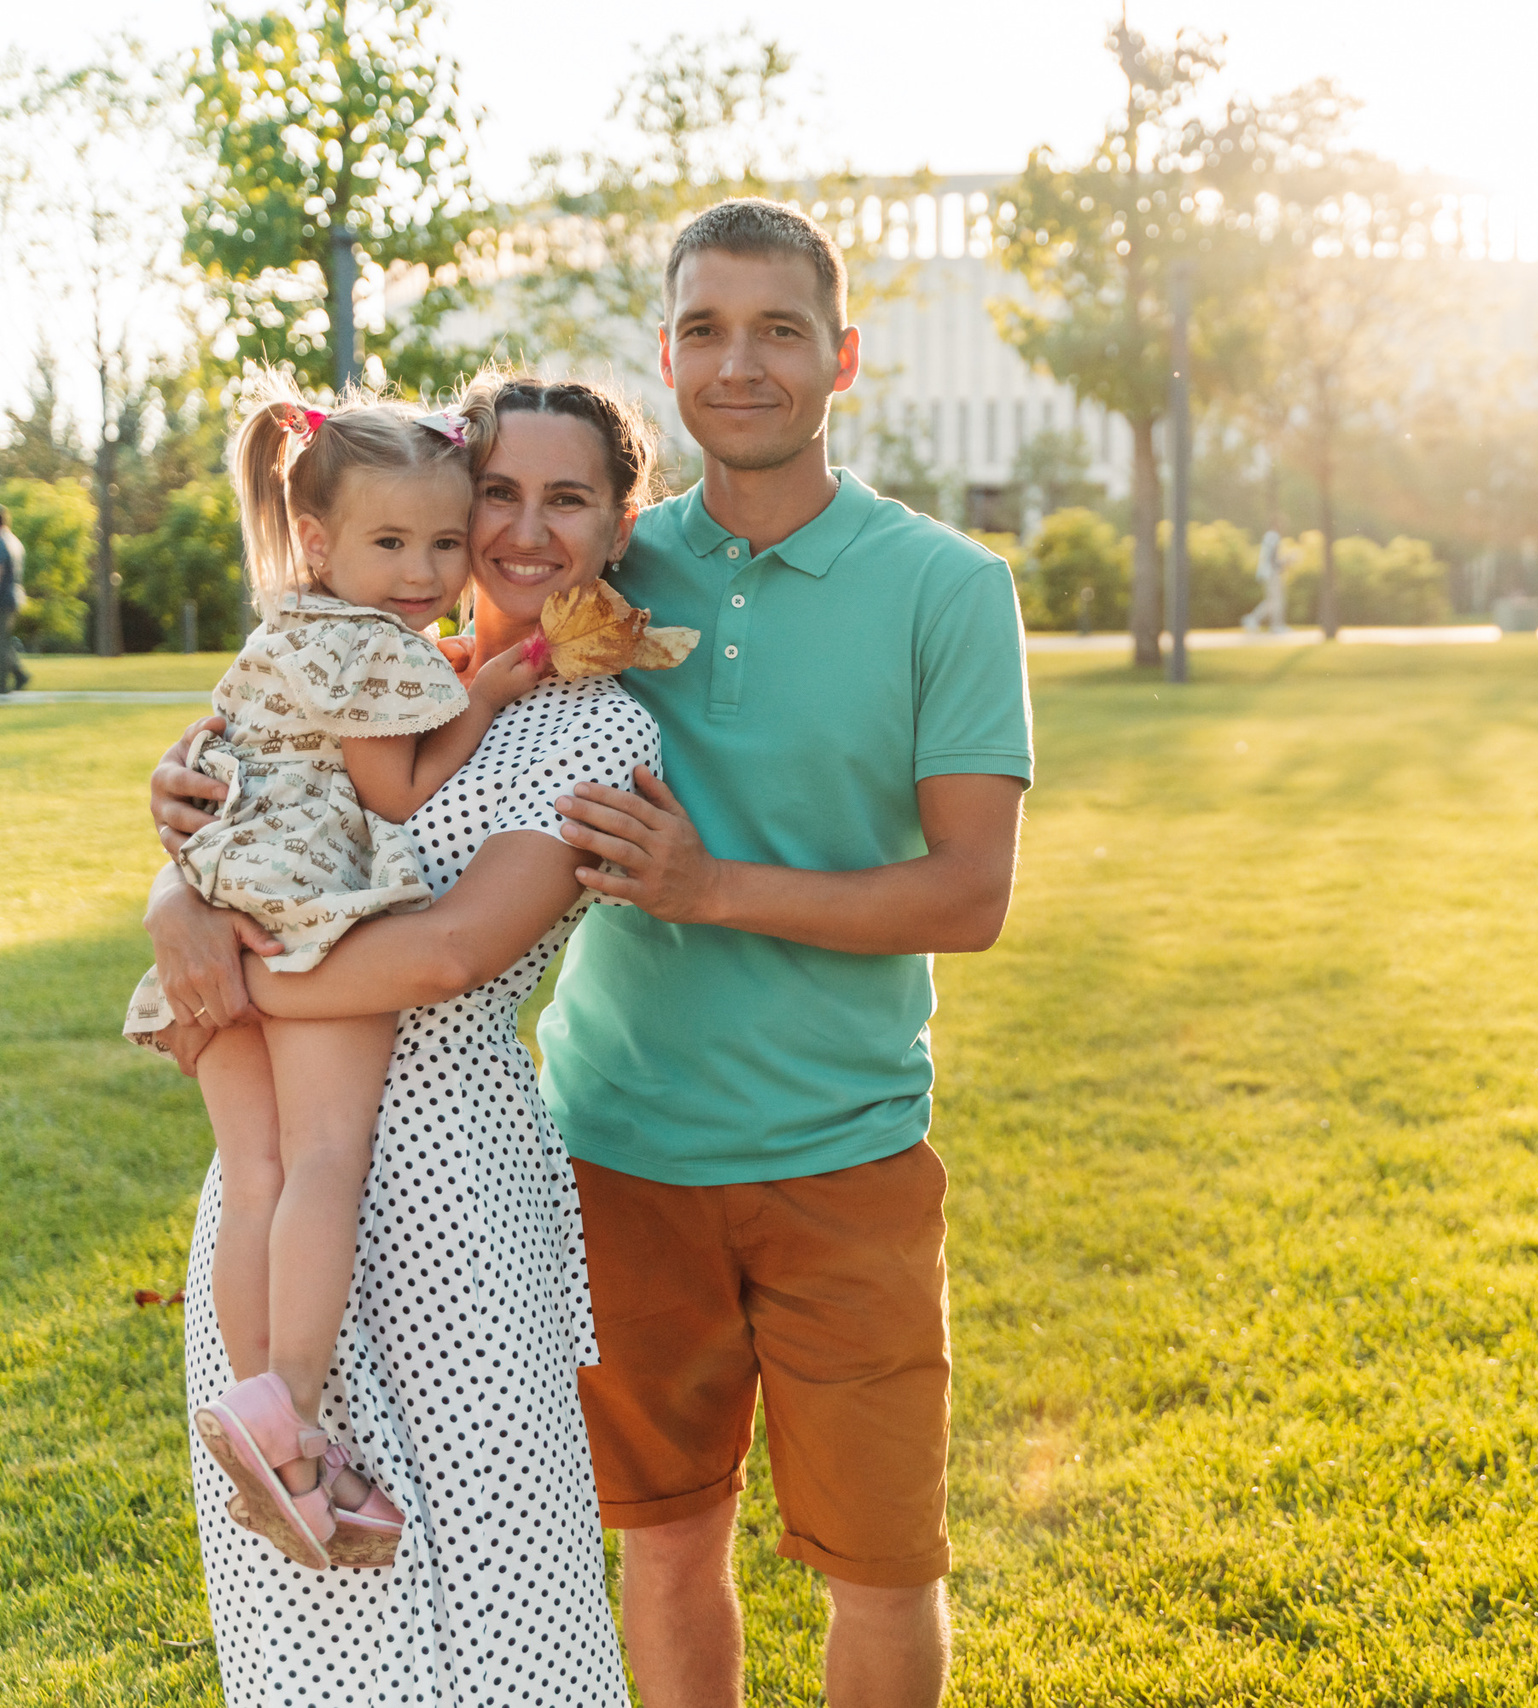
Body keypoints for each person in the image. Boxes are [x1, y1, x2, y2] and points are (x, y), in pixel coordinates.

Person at [532, 195, 1031, 1708]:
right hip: (615, 1150)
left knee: (883, 1568)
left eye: (779, 330)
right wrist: (209, 776)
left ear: (844, 358)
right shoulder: (596, 574)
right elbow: (383, 679)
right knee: (668, 1545)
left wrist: (709, 886)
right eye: (704, 329)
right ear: (665, 355)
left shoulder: (948, 587)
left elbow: (969, 896)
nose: (739, 362)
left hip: (847, 1156)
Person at [146, 373, 666, 1704]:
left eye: (570, 500)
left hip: (451, 1198)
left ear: (619, 526)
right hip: (275, 1197)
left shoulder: (595, 728)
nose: (524, 531)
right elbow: (220, 831)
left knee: (499, 1577)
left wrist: (217, 988)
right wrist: (170, 897)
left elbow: (449, 953)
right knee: (317, 1599)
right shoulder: (366, 668)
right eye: (498, 493)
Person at [133, 371, 547, 1573]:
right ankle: (293, 1420)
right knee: (323, 1159)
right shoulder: (371, 648)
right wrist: (485, 692)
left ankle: (260, 1416)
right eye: (389, 541)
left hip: (217, 894)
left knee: (256, 1167)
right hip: (303, 903)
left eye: (443, 542)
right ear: (317, 539)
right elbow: (397, 788)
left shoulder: (288, 627)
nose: (422, 571)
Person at [0, 503, 28, 693]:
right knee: (4, 640)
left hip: (3, 598)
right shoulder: (13, 540)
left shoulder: (1, 541)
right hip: (14, 596)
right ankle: (19, 674)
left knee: (1, 642)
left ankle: (2, 684)